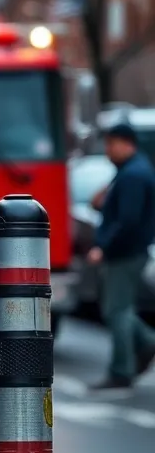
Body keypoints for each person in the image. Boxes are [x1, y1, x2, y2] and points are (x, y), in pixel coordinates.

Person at [88, 121, 155, 388]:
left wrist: (103, 246)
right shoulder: (131, 171)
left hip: (125, 253)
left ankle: (121, 370)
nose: (107, 151)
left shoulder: (133, 175)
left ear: (125, 143)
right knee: (120, 308)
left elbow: (127, 221)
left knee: (117, 310)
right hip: (130, 252)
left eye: (110, 144)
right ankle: (147, 343)